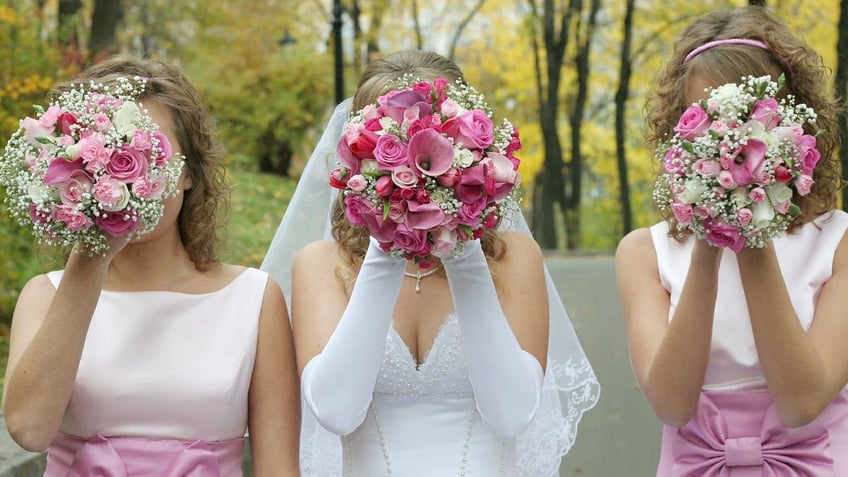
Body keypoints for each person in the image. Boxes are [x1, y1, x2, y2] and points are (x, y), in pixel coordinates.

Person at [261, 50, 599, 477]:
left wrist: (462, 234)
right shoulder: (321, 264)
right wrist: (388, 230)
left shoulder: (513, 258)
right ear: (359, 158)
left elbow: (512, 414)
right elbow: (337, 411)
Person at [2, 56, 301, 476]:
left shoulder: (254, 298)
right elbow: (29, 429)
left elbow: (279, 468)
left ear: (188, 174)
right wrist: (93, 253)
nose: (123, 179)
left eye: (148, 151)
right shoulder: (45, 294)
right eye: (107, 157)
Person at [616, 6, 848, 475]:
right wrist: (710, 234)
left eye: (746, 125)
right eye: (708, 125)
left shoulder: (838, 242)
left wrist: (754, 221)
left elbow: (802, 401)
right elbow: (671, 405)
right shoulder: (644, 252)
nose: (728, 147)